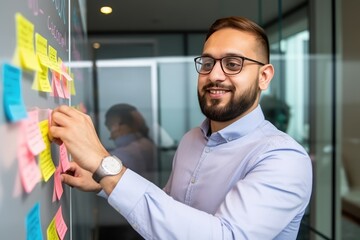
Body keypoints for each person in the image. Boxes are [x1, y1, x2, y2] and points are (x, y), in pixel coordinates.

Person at [50, 16, 313, 239]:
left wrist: (105, 164)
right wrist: (101, 183)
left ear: (264, 76)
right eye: (208, 63)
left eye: (233, 64)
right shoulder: (191, 140)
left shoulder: (284, 159)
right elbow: (169, 209)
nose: (215, 75)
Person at [104, 103, 157, 182]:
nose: (110, 135)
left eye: (109, 127)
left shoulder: (123, 155)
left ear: (116, 126)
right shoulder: (148, 145)